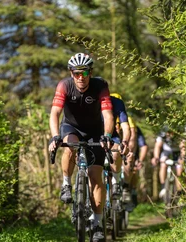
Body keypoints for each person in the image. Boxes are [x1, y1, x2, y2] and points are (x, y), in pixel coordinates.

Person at [48, 53, 114, 241]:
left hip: (95, 131)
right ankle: (67, 184)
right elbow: (55, 113)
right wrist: (55, 137)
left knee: (95, 176)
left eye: (84, 73)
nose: (80, 77)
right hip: (72, 127)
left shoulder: (100, 86)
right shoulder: (64, 86)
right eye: (76, 73)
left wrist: (107, 136)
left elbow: (108, 115)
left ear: (90, 72)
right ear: (71, 73)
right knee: (71, 146)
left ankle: (97, 223)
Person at [110, 93, 136, 203]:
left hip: (123, 144)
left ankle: (125, 187)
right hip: (110, 143)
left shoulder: (127, 118)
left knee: (129, 159)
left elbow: (132, 136)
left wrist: (130, 150)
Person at [151, 127, 186, 198]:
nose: (169, 135)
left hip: (177, 152)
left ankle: (179, 191)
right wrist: (156, 157)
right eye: (168, 133)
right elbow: (157, 146)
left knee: (179, 170)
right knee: (163, 165)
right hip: (166, 152)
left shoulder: (180, 133)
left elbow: (183, 147)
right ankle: (163, 186)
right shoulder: (162, 133)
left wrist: (182, 158)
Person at [130, 125, 148, 207]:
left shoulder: (136, 129)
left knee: (133, 171)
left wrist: (140, 160)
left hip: (134, 156)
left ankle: (133, 191)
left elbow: (143, 146)